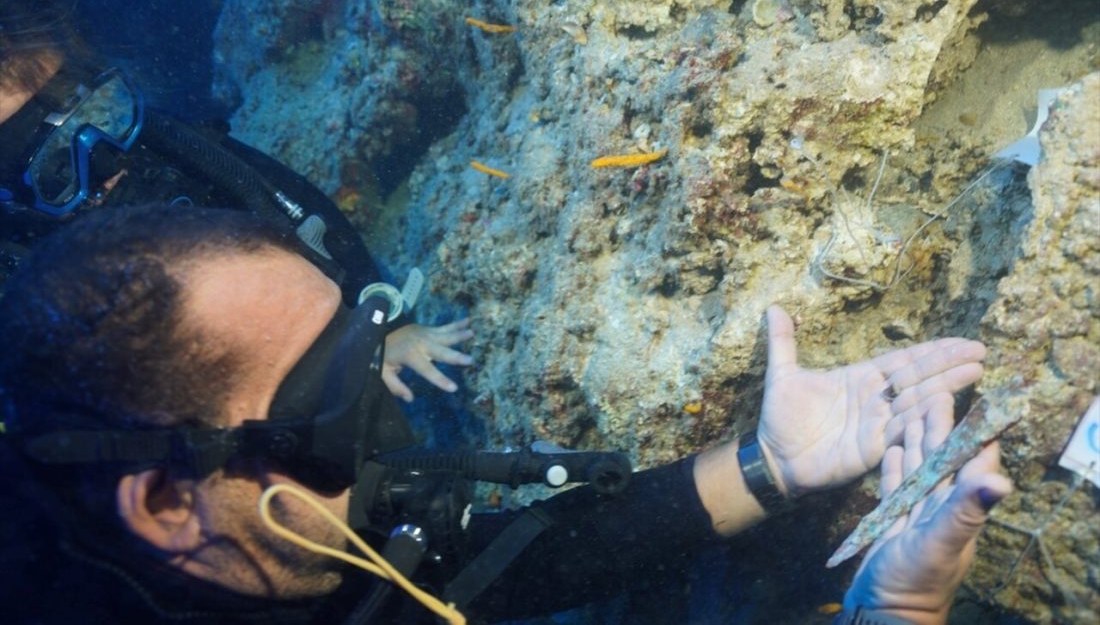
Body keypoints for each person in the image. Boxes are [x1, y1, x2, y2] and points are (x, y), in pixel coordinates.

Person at [0, 203, 1011, 624]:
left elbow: (501, 569)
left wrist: (767, 464)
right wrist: (896, 615)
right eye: (328, 401)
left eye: (369, 347)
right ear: (171, 501)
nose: (385, 418)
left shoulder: (276, 530)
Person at [0, 0, 471, 404]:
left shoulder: (172, 150)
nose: (102, 157)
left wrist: (383, 323)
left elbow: (295, 208)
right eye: (35, 151)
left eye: (97, 109)